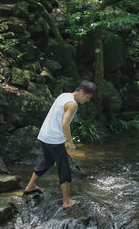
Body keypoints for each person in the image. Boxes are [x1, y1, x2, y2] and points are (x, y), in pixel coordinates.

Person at [22, 81, 96, 209]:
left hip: (44, 135)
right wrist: (69, 141)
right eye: (87, 98)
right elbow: (64, 124)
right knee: (64, 168)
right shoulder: (73, 104)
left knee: (47, 161)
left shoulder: (64, 95)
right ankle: (66, 201)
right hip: (54, 139)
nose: (87, 101)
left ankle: (30, 186)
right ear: (81, 92)